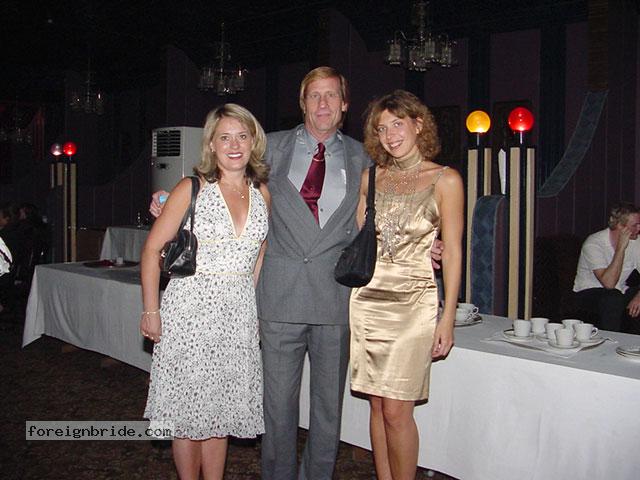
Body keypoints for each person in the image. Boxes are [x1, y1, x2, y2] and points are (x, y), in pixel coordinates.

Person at [150, 67, 443, 479]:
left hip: (335, 299)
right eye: (314, 96)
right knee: (276, 408)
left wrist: (425, 241)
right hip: (278, 298)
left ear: (344, 104)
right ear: (302, 103)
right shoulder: (269, 147)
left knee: (327, 411)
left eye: (331, 95)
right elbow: (220, 177)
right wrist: (168, 197)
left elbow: (393, 209)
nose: (323, 104)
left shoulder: (365, 158)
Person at [141, 103, 270, 480]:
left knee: (220, 410)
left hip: (236, 318)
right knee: (187, 411)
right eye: (224, 137)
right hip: (189, 312)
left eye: (242, 136)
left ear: (253, 142)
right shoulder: (191, 188)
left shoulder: (262, 192)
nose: (234, 145)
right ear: (211, 144)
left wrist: (249, 308)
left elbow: (258, 254)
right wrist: (151, 311)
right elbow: (151, 250)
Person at [349, 90, 463, 480]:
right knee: (378, 406)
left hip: (413, 303)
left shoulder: (445, 179)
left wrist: (447, 317)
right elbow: (364, 238)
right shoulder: (371, 178)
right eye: (382, 128)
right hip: (367, 301)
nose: (390, 135)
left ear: (418, 123)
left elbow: (454, 251)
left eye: (397, 124)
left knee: (398, 410)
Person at [572, 202, 640, 332]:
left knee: (617, 296)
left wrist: (639, 296)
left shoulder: (636, 241)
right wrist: (620, 249)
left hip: (619, 291)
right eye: (635, 225)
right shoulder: (594, 243)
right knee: (613, 298)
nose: (639, 228)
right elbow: (609, 283)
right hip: (588, 293)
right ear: (620, 226)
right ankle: (612, 341)